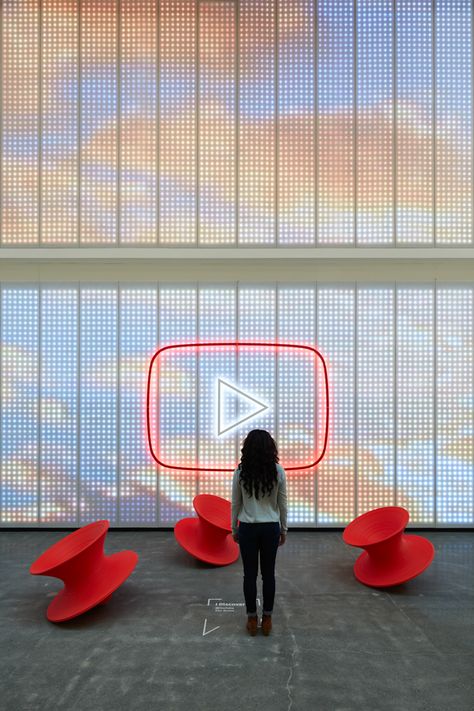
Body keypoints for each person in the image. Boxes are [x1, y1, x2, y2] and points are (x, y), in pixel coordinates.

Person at [231, 429, 288, 637]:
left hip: (247, 527)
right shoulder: (278, 471)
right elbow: (283, 504)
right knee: (268, 575)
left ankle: (252, 618)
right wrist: (283, 529)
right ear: (270, 448)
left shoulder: (241, 471)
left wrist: (234, 528)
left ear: (248, 448)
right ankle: (268, 619)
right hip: (270, 528)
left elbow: (235, 503)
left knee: (249, 575)